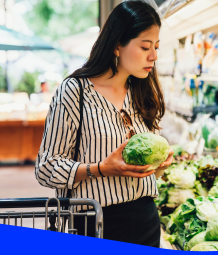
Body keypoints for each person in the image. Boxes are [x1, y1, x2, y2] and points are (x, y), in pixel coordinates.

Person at [35, 1, 173, 247]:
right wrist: (100, 168)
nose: (153, 56)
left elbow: (147, 174)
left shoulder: (143, 92)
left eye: (156, 47)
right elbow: (46, 168)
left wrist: (159, 166)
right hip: (95, 222)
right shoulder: (75, 91)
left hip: (146, 219)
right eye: (144, 47)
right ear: (118, 44)